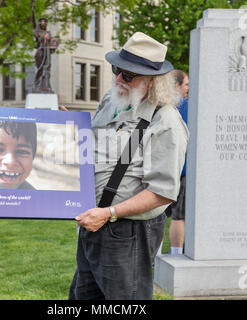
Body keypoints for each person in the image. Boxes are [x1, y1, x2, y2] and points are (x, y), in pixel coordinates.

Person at [68, 32, 189, 300]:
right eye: (117, 70)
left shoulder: (166, 122)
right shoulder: (111, 102)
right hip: (93, 223)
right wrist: (70, 131)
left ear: (152, 81)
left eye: (129, 75)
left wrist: (109, 212)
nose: (118, 78)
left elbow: (162, 192)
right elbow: (94, 149)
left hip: (127, 232)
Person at [166, 69, 189, 255]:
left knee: (155, 217)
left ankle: (154, 256)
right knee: (179, 216)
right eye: (186, 84)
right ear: (177, 85)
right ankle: (176, 254)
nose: (188, 89)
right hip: (182, 170)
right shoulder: (187, 107)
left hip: (160, 170)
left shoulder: (156, 105)